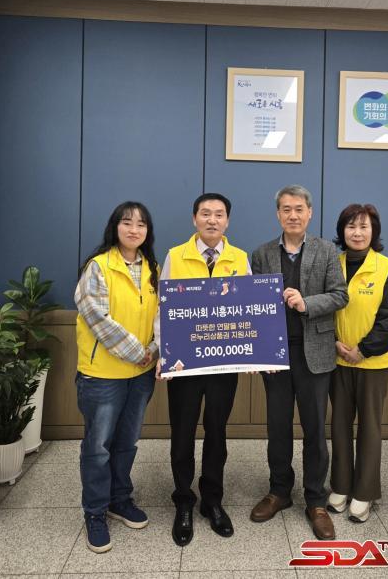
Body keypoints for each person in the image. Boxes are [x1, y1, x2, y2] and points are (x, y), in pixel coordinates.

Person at [250, 185, 348, 540]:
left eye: (299, 209)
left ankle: (316, 500)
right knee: (277, 427)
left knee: (315, 430)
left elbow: (340, 295)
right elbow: (251, 306)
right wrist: (258, 351)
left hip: (315, 354)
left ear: (310, 213)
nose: (293, 215)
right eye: (286, 209)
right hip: (275, 356)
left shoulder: (326, 250)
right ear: (278, 214)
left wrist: (307, 303)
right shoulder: (261, 254)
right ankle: (279, 491)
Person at [154, 192, 251, 547]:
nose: (212, 220)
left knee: (217, 431)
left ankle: (212, 500)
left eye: (219, 214)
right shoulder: (175, 256)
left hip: (224, 362)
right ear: (194, 218)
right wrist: (164, 353)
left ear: (227, 221)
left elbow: (249, 308)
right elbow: (163, 307)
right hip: (185, 362)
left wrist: (252, 353)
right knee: (182, 432)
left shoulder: (240, 258)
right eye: (206, 213)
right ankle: (183, 500)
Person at [75, 201, 159, 553]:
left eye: (141, 224)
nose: (134, 229)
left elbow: (163, 315)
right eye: (127, 222)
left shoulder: (153, 269)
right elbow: (96, 317)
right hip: (103, 375)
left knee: (127, 442)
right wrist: (138, 351)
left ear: (147, 232)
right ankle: (95, 511)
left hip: (141, 375)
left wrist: (154, 348)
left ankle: (119, 499)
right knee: (98, 448)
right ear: (115, 227)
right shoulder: (98, 266)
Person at [328, 203, 388, 523]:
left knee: (370, 427)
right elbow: (323, 308)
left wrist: (363, 350)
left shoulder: (387, 268)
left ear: (374, 232)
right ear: (342, 231)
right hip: (337, 359)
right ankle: (341, 486)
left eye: (364, 227)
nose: (357, 233)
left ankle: (365, 492)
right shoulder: (332, 264)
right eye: (351, 226)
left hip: (374, 362)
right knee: (339, 424)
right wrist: (334, 342)